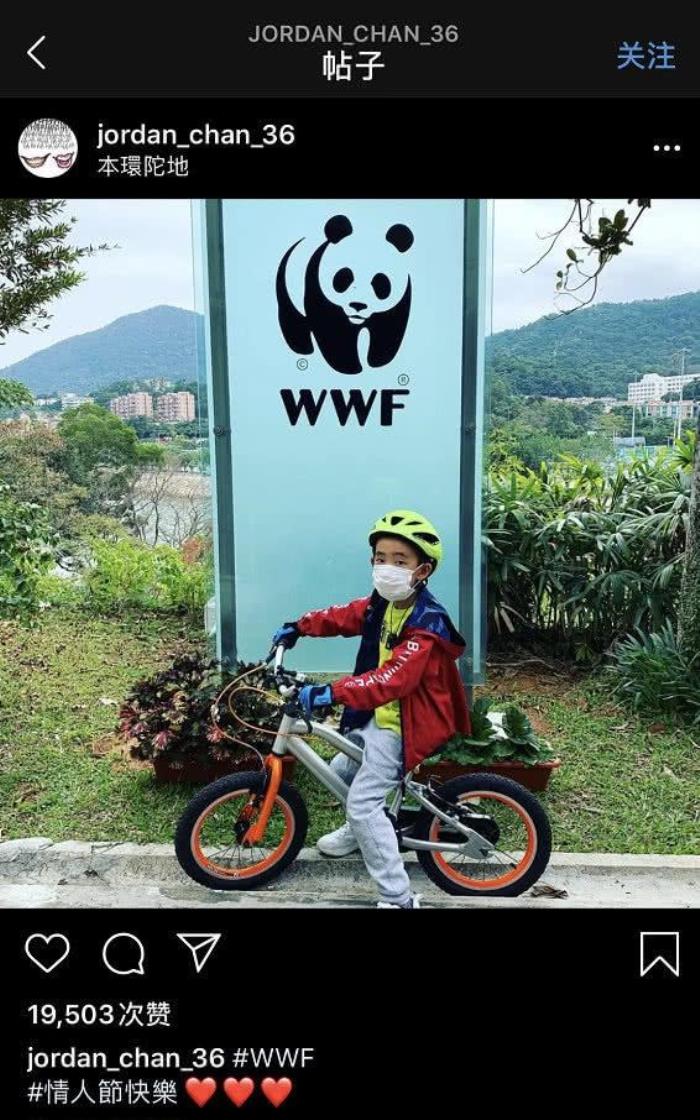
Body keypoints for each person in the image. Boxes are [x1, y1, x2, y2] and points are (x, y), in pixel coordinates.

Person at [271, 509, 470, 910]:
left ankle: (398, 897)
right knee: (341, 770)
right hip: (376, 715)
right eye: (381, 558)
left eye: (400, 560)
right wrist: (300, 627)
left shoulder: (427, 623)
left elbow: (394, 679)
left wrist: (332, 692)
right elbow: (345, 615)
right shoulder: (383, 603)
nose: (387, 567)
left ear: (423, 570)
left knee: (363, 804)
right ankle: (360, 832)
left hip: (404, 725)